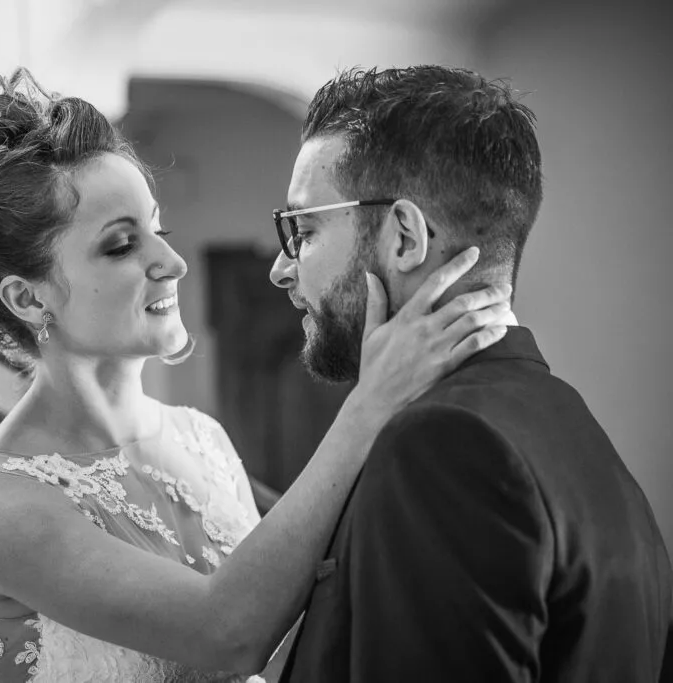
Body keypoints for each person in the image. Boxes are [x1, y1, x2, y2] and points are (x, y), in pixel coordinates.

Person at [0, 68, 512, 682]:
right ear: (29, 298)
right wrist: (370, 404)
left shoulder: (202, 438)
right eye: (122, 244)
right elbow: (227, 631)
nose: (172, 262)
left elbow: (297, 644)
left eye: (158, 228)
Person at [272, 65, 673, 682]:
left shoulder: (442, 446)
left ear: (404, 237)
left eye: (303, 230)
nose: (281, 268)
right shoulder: (572, 426)